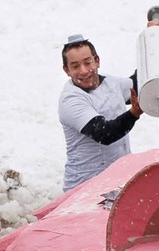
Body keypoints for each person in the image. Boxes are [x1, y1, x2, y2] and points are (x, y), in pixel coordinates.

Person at [58, 33, 144, 192]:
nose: (84, 71)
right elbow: (103, 134)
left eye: (87, 62)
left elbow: (139, 84)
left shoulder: (112, 83)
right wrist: (133, 114)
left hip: (117, 183)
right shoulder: (70, 100)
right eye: (75, 66)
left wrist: (152, 40)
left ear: (97, 61)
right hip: (83, 190)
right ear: (67, 70)